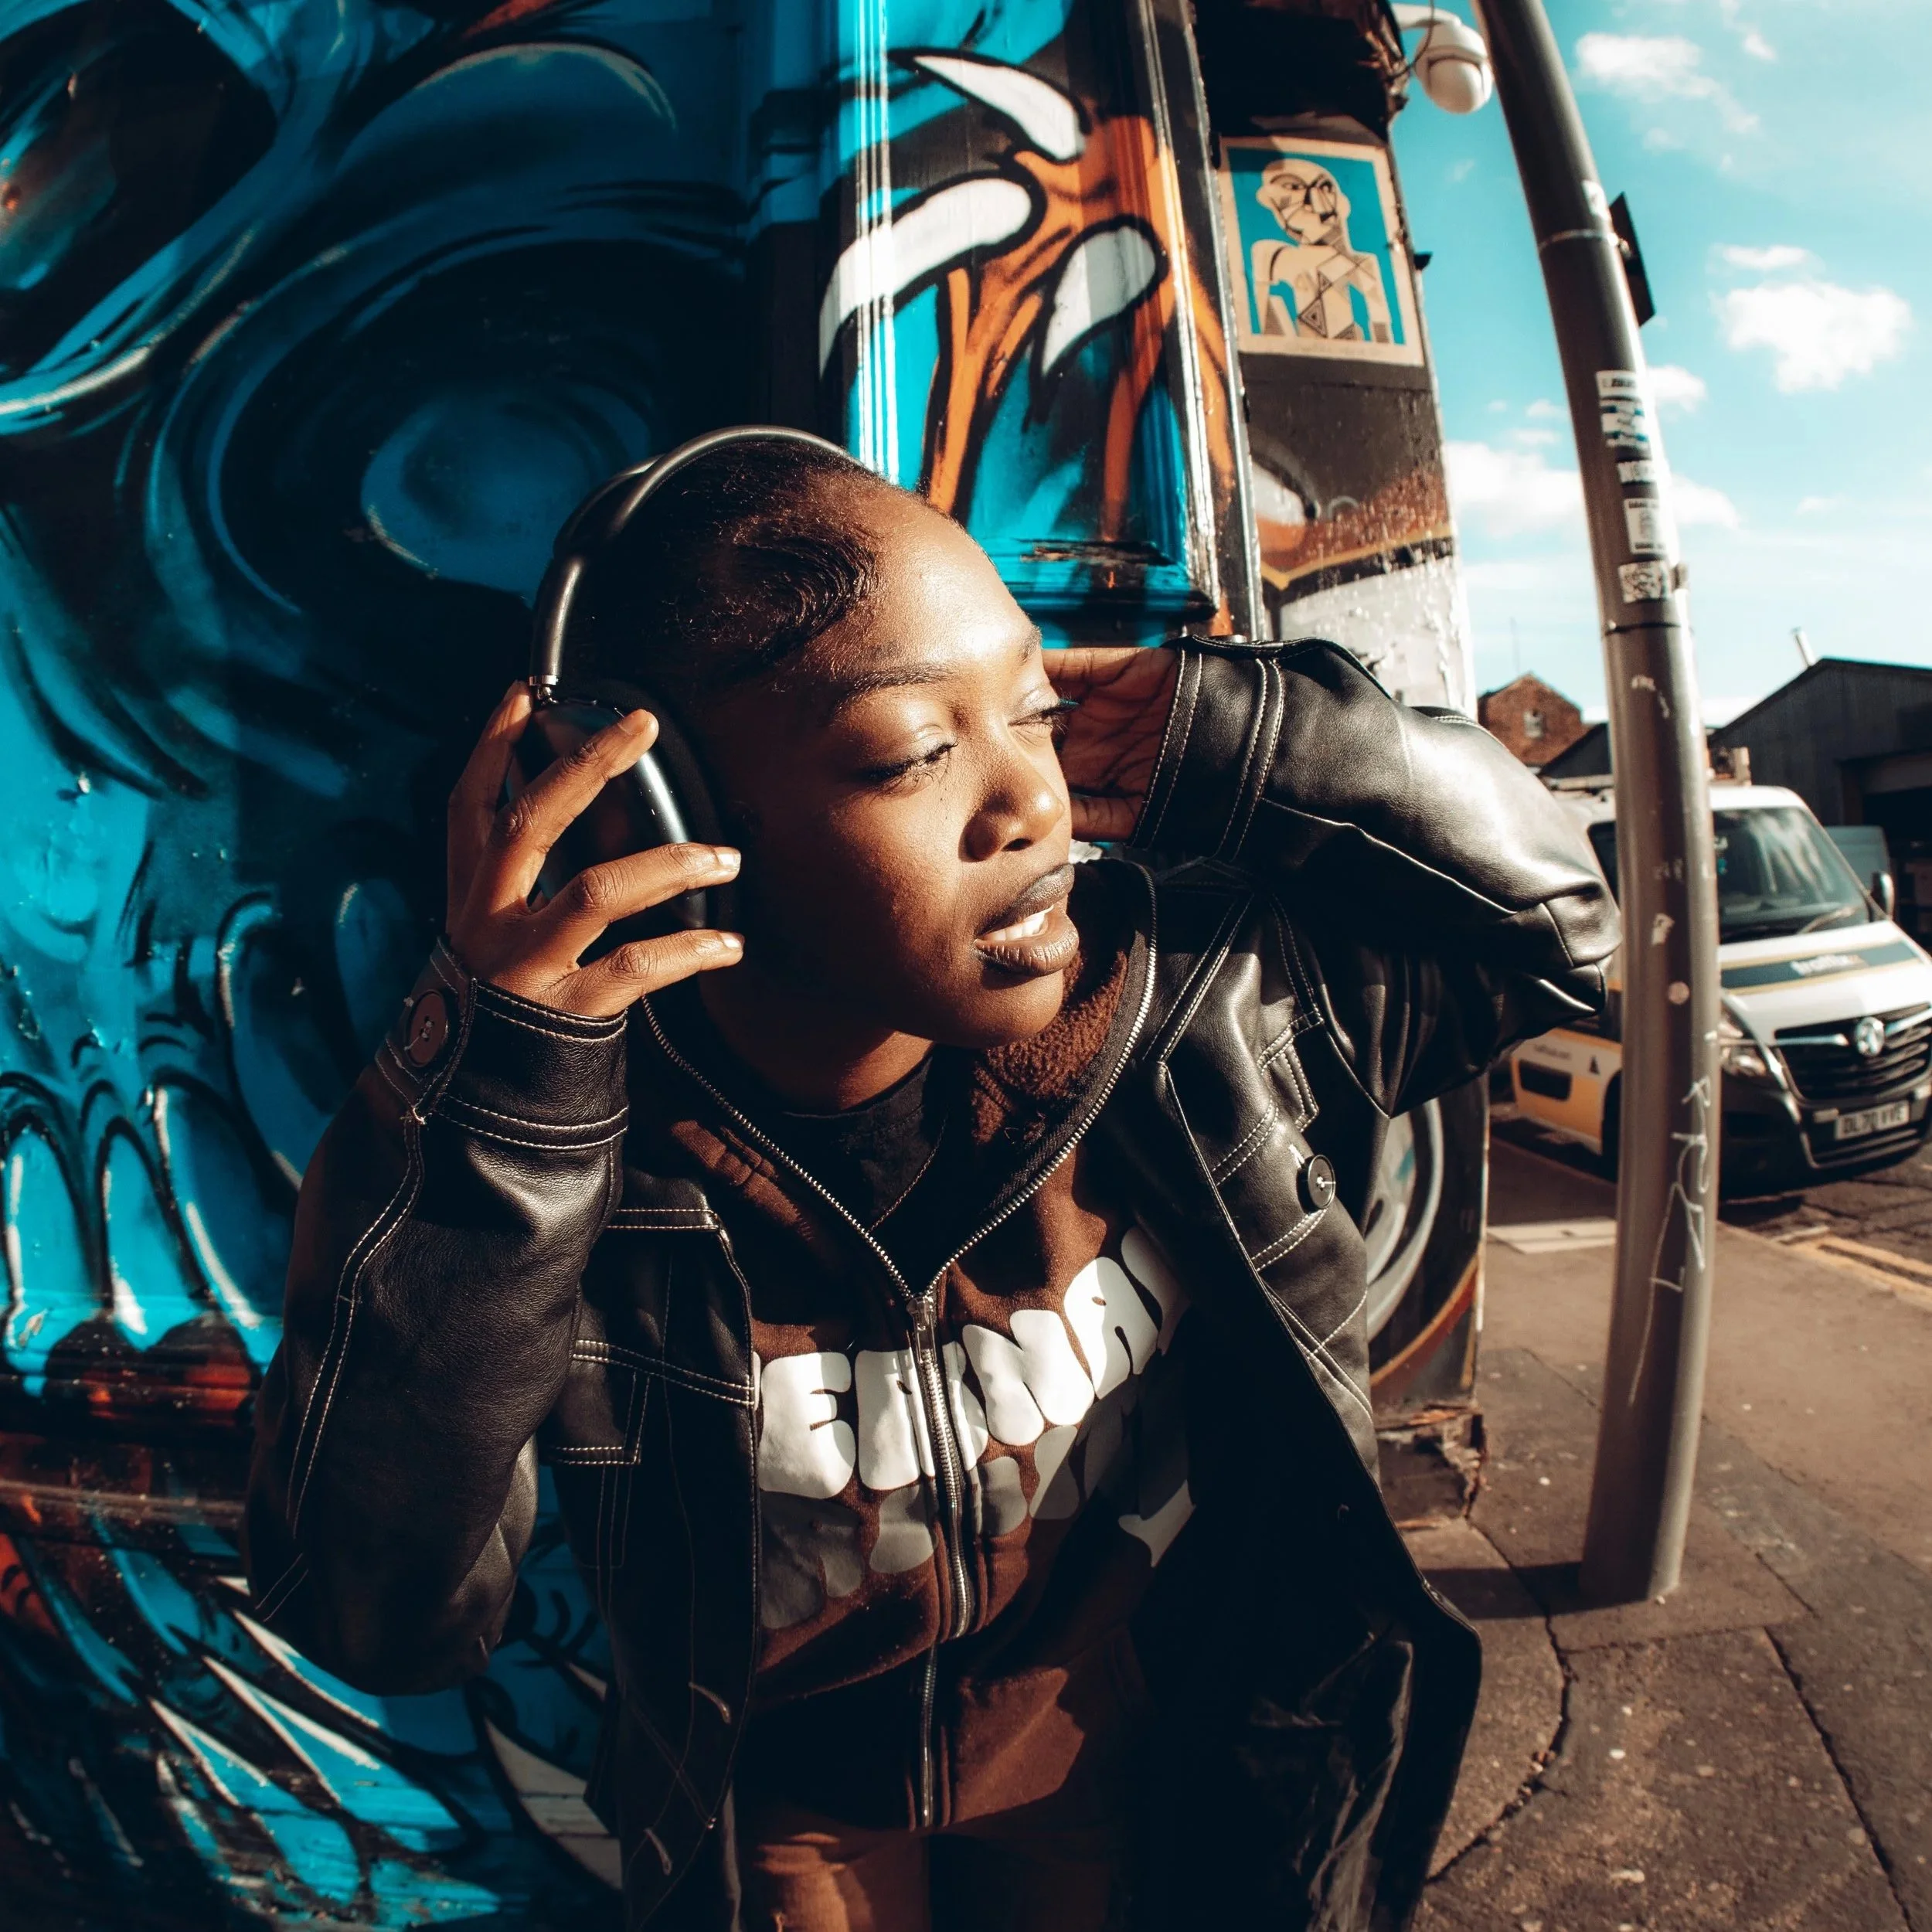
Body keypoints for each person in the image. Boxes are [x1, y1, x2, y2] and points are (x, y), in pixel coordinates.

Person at [244, 434, 1616, 1932]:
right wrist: (498, 1119)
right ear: (660, 816)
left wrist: (1232, 732)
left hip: (1132, 1756)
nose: (1030, 800)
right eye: (913, 753)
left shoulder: (1197, 1010)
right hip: (784, 1815)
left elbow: (1560, 938)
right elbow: (378, 1609)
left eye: (1034, 713)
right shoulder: (553, 1158)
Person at [1251, 156, 1394, 346]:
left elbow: (1380, 318)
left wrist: (1381, 349)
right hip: (1300, 353)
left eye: (1325, 189)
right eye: (1294, 187)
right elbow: (1261, 316)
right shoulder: (1274, 255)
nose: (1311, 201)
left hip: (1349, 349)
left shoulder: (1358, 262)